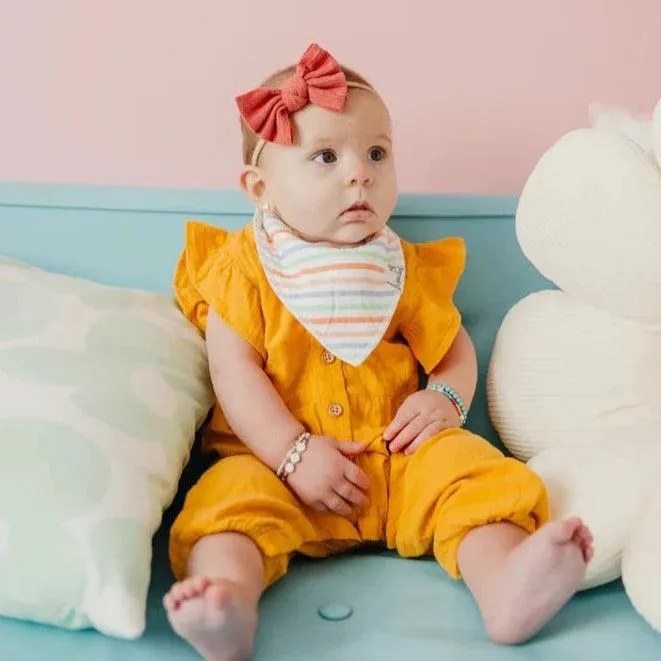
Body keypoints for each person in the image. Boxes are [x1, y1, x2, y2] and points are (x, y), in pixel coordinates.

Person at [162, 43, 593, 661]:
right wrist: (290, 451)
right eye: (325, 156)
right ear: (260, 187)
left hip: (395, 461)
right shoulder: (246, 268)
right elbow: (233, 371)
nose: (359, 173)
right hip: (280, 471)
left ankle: (504, 585)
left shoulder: (398, 267)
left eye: (376, 153)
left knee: (468, 473)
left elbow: (452, 349)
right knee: (227, 500)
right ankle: (226, 602)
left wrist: (444, 399)